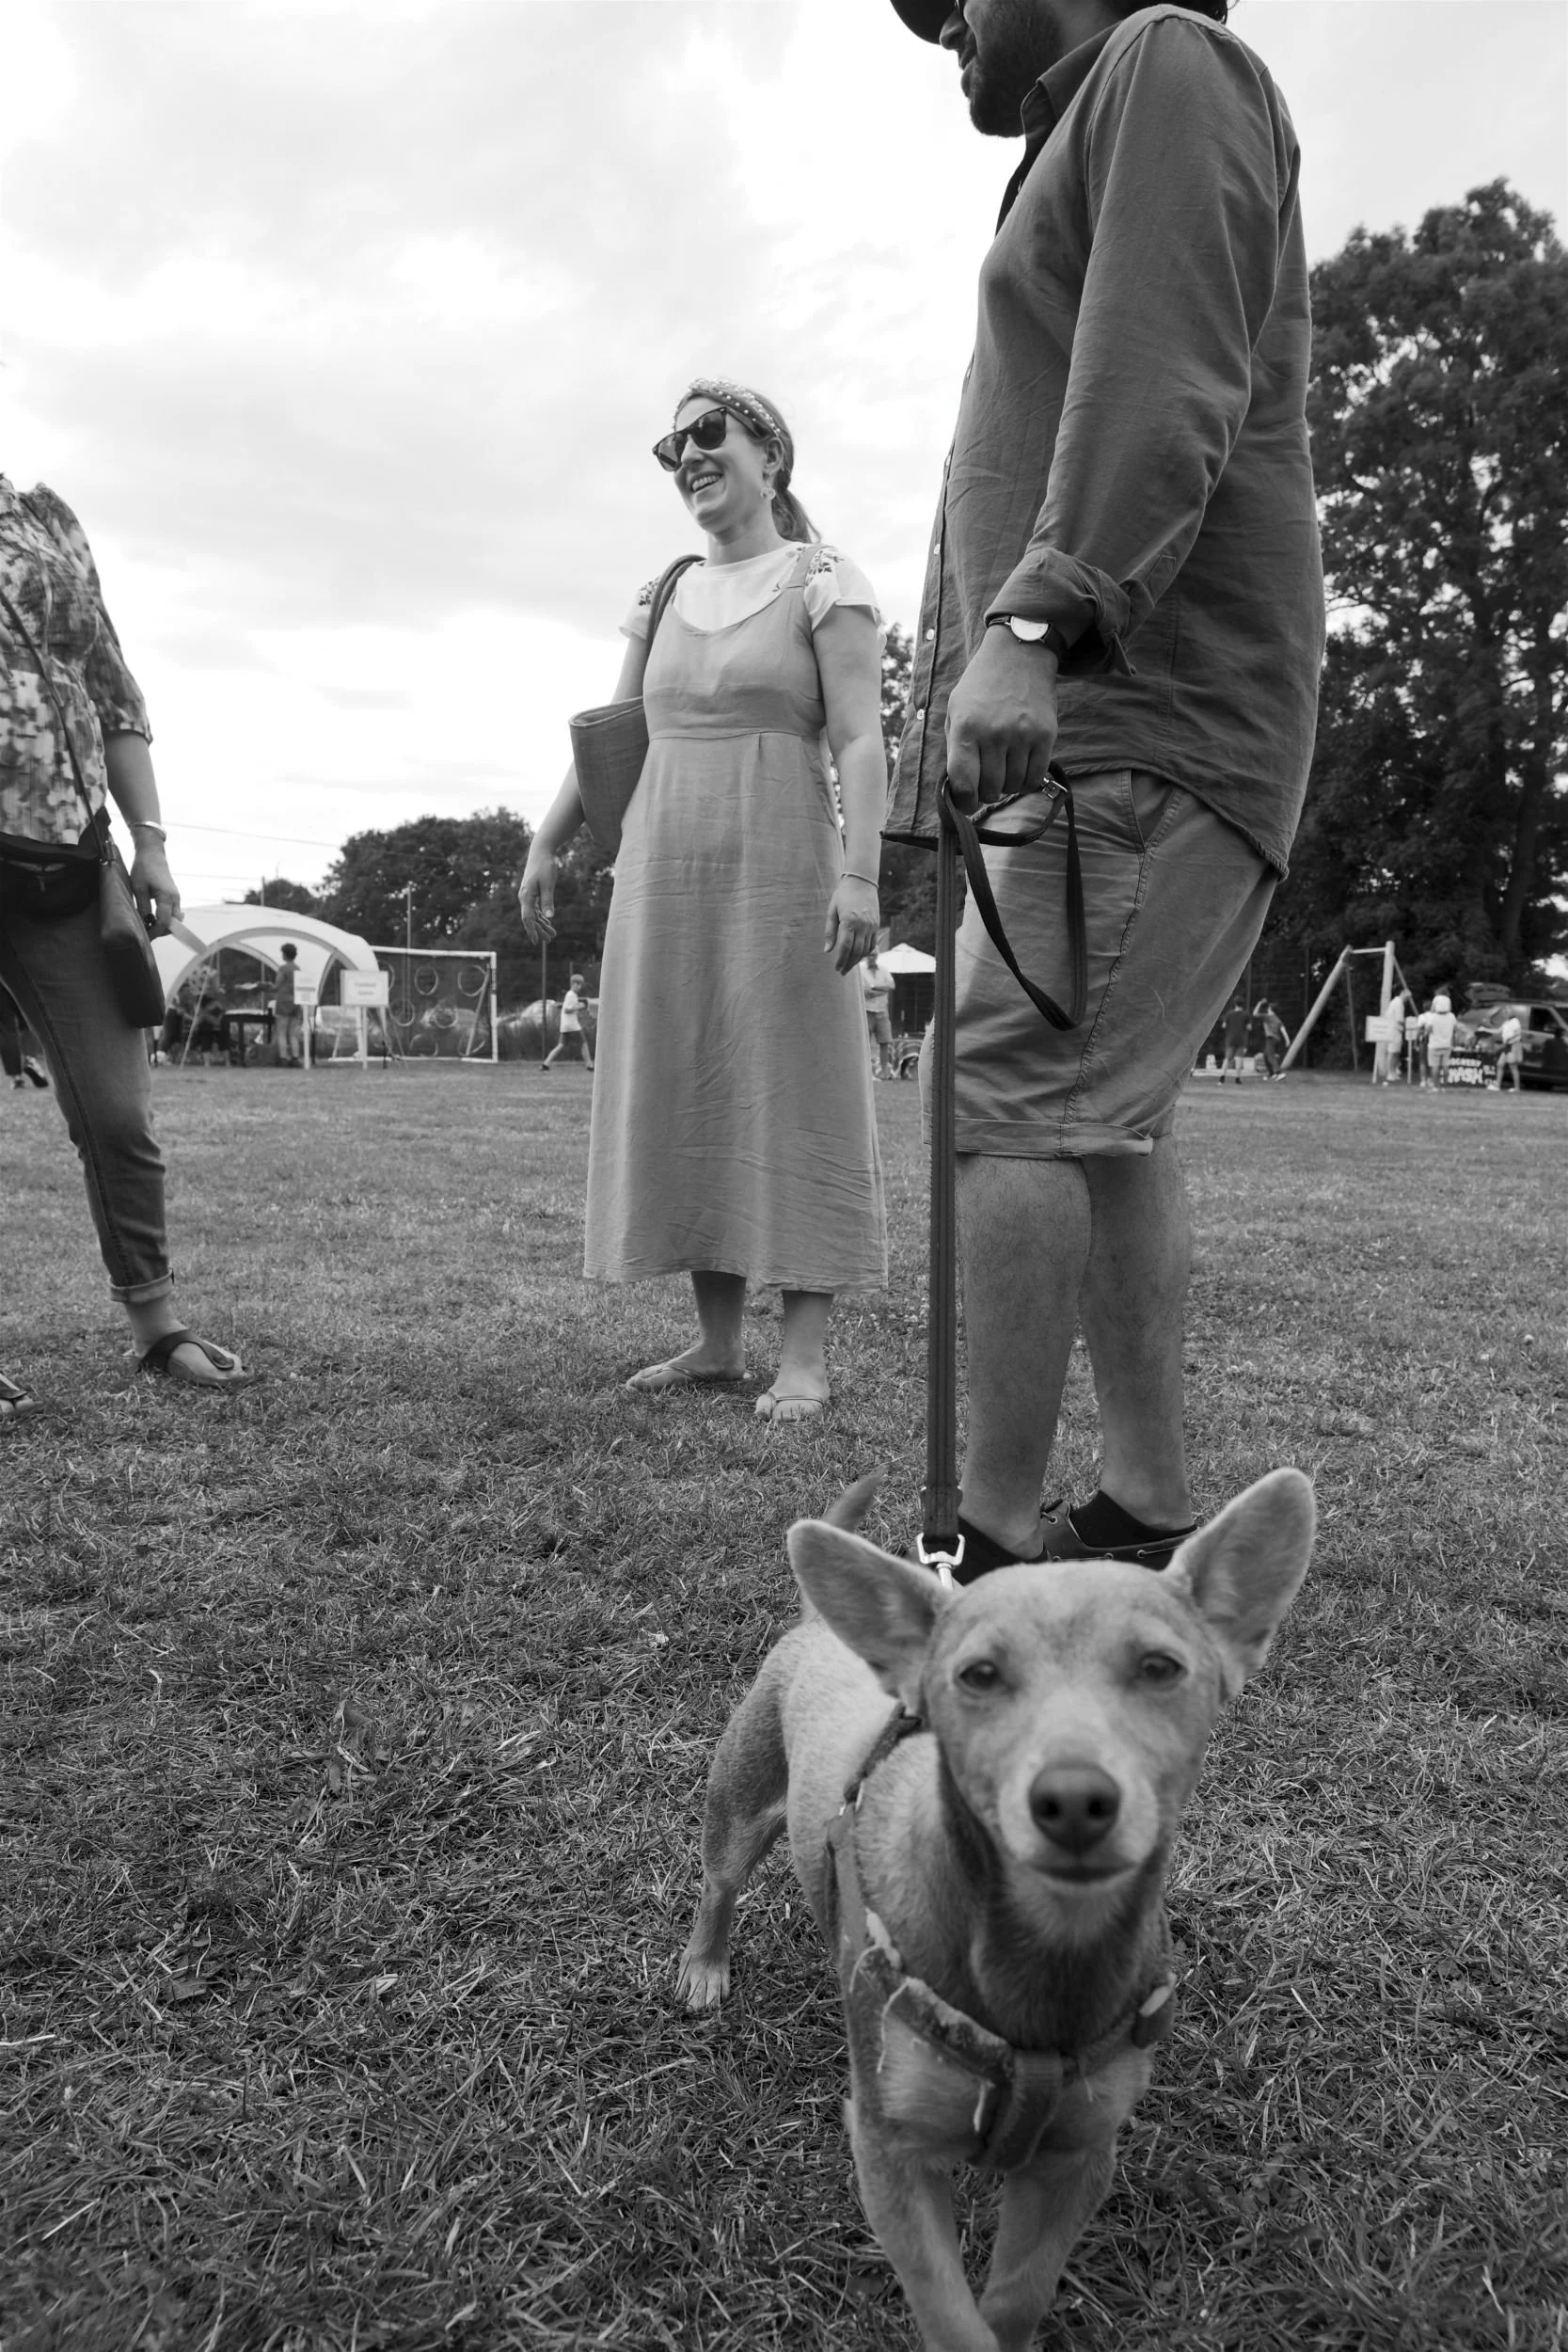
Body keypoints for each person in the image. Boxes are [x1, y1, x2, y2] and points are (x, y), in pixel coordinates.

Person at [883, 0, 1323, 1571]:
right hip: (1091, 704)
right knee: (1106, 1124)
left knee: (1005, 1102)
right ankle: (1143, 1507)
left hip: (1141, 697)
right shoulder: (1087, 118)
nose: (940, 24)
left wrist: (1035, 616)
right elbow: (1006, 455)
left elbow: (1164, 374)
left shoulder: (1166, 62)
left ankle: (985, 1553)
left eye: (951, 0)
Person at [521, 379, 887, 1422]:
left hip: (784, 865)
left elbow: (861, 739)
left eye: (705, 433)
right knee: (690, 1079)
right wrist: (548, 838)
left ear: (769, 454)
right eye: (670, 444)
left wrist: (859, 873)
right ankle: (718, 1344)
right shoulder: (665, 587)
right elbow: (615, 729)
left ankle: (803, 1354)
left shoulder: (823, 578)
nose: (685, 455)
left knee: (796, 1082)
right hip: (662, 867)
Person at [0, 476, 257, 1420]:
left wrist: (147, 839)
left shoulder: (47, 518)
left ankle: (155, 1325)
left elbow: (111, 692)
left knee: (116, 1115)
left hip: (66, 865)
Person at [0, 980, 48, 1089]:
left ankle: (16, 1078)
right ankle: (30, 1059)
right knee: (29, 1020)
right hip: (18, 977)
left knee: (7, 1029)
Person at [543, 972, 594, 1070]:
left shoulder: (570, 995)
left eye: (581, 984)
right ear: (573, 983)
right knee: (583, 1043)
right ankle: (589, 1065)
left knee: (561, 1045)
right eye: (578, 984)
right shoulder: (571, 995)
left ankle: (545, 1064)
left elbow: (566, 1006)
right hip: (572, 1025)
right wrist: (580, 1006)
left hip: (565, 1025)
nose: (579, 987)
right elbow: (567, 1010)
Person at [862, 946, 895, 1077]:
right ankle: (867, 1073)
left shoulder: (884, 970)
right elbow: (865, 992)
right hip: (867, 1011)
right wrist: (880, 991)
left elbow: (891, 986)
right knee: (866, 1043)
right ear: (865, 955)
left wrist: (874, 988)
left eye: (874, 954)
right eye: (869, 954)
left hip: (882, 1011)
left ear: (878, 955)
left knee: (885, 1042)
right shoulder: (860, 969)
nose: (872, 957)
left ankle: (885, 1072)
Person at [272, 942, 302, 1066]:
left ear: (284, 954)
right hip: (296, 1002)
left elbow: (277, 985)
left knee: (281, 1032)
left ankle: (283, 1058)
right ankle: (295, 1058)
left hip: (284, 1002)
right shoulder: (298, 969)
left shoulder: (283, 969)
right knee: (293, 1033)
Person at [1426, 991, 1456, 1088]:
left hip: (1434, 1045)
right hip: (1447, 1044)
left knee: (1435, 1066)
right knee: (1445, 1065)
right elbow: (1455, 1029)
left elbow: (1428, 1031)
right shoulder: (1451, 1017)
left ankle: (1435, 1086)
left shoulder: (1433, 1017)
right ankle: (1445, 1086)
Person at [1218, 997, 1250, 1084]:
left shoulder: (1229, 1014)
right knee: (1239, 1059)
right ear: (1243, 1004)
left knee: (1227, 1059)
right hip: (1241, 1040)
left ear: (1235, 1004)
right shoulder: (1246, 1014)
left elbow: (1224, 1026)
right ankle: (1237, 1079)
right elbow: (1249, 1027)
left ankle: (1222, 1078)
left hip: (1230, 1039)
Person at [1257, 997, 1289, 1080]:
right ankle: (1271, 1073)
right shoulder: (1277, 1019)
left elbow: (1255, 1014)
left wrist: (1259, 1003)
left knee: (1270, 1056)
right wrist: (1287, 1040)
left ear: (1270, 1009)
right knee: (1265, 1056)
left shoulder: (1268, 1017)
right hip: (1277, 1039)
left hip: (1271, 1038)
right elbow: (1283, 1029)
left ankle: (1279, 1073)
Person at [1497, 1009, 1524, 1093]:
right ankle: (1497, 1086)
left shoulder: (1515, 1021)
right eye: (1504, 1012)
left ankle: (1517, 1088)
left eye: (1506, 1012)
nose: (1505, 1014)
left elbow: (1518, 1032)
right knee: (1500, 1064)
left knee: (1513, 1066)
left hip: (1513, 1045)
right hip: (1507, 1046)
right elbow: (1498, 1031)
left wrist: (1509, 1038)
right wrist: (1484, 1029)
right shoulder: (1506, 1022)